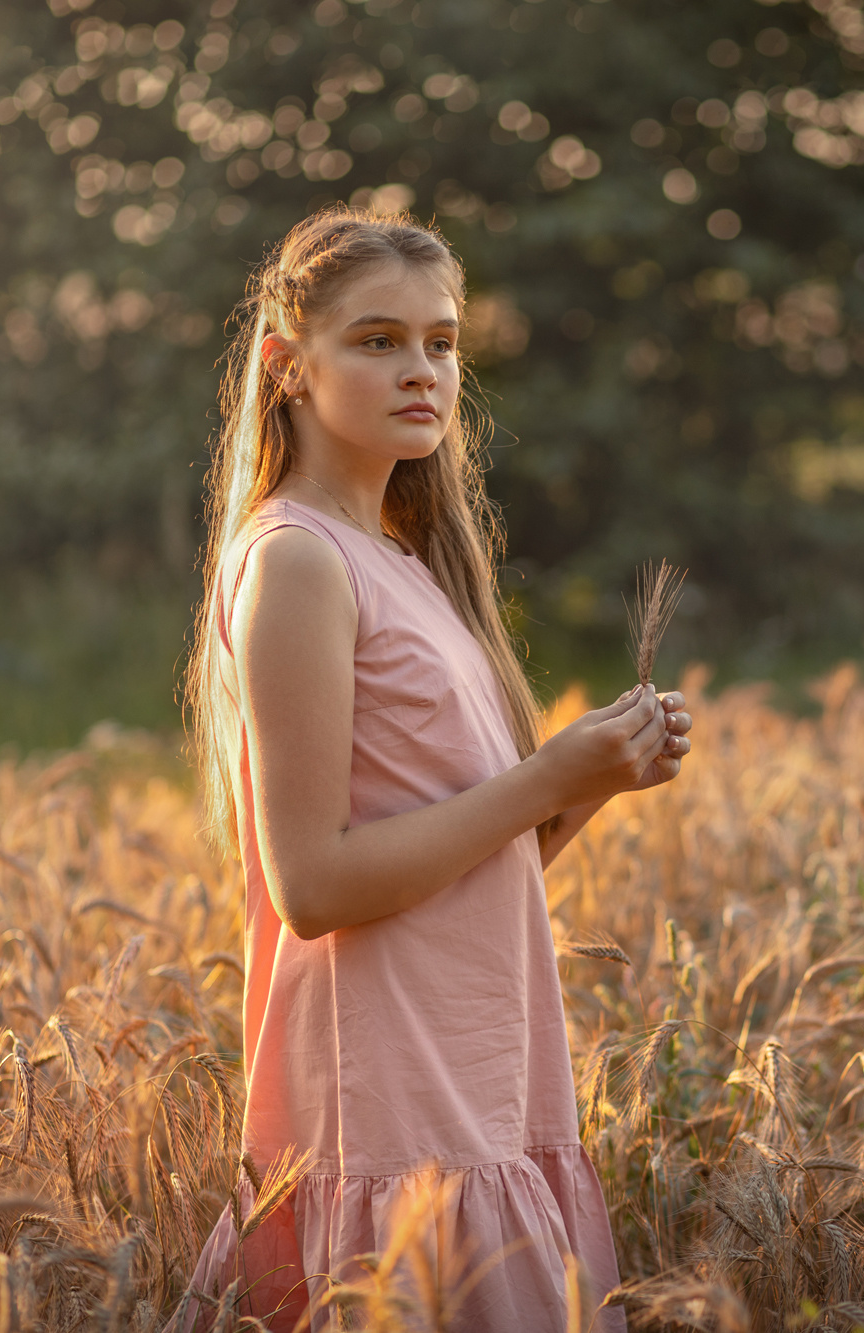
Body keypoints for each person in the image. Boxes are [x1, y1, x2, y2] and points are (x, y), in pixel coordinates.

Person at [173, 205, 691, 1332]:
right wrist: (548, 776)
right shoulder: (299, 561)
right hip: (390, 1092)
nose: (422, 371)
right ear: (285, 366)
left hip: (482, 1068)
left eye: (442, 343)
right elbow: (314, 885)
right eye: (377, 340)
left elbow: (484, 854)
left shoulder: (405, 560)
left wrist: (595, 777)